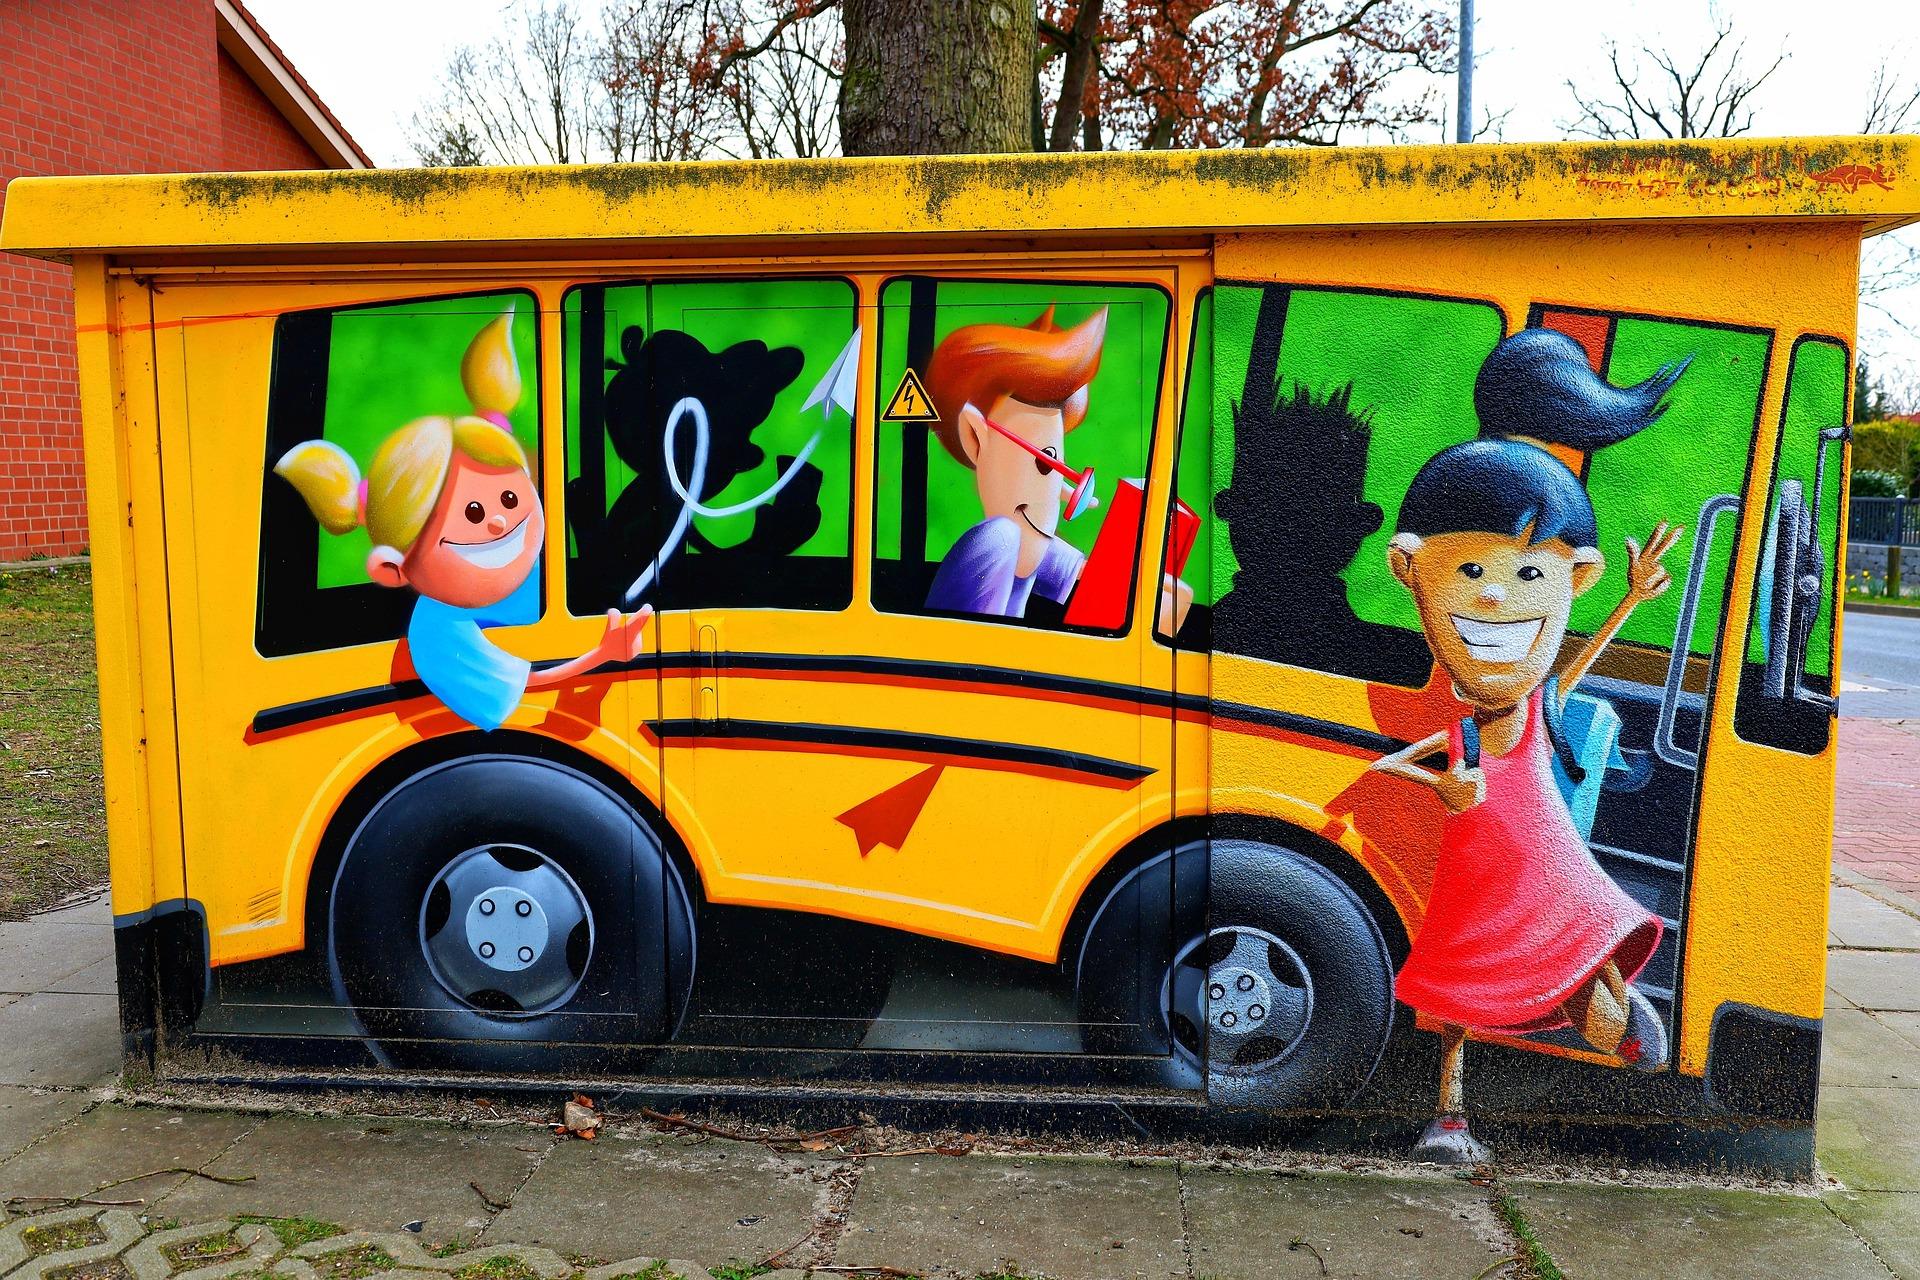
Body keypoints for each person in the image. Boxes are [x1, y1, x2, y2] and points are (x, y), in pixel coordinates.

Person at [1366, 327, 1688, 1164]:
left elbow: (1575, 669)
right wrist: (1441, 789)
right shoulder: (1461, 730)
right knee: (1458, 992)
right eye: (1469, 573)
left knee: (1592, 992)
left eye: (1529, 575)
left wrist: (1631, 602)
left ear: (1573, 577)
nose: (1498, 596)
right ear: (1412, 570)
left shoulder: (1539, 707)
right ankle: (1450, 1114)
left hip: (1550, 876)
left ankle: (1614, 1008)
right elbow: (1400, 765)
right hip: (1478, 879)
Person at [274, 308, 649, 730]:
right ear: (392, 570)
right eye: (472, 512)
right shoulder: (436, 631)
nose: (497, 523)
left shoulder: (543, 569)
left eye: (510, 496)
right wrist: (603, 655)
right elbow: (525, 686)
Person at [920, 304, 1191, 629]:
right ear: (975, 437)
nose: (1068, 495)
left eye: (1058, 466)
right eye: (1044, 463)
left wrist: (1151, 599)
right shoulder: (1000, 538)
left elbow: (1098, 582)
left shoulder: (1027, 540)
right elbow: (984, 657)